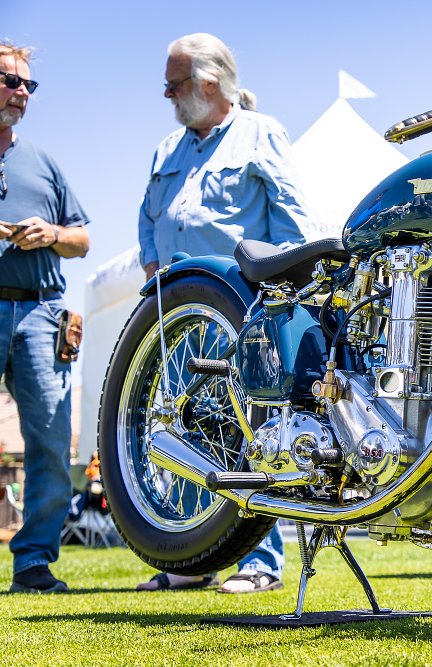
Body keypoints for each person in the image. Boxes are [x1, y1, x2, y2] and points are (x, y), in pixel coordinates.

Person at [135, 33, 312, 593]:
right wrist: (149, 269)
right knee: (184, 430)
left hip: (243, 310)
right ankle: (191, 560)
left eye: (175, 83)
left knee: (253, 430)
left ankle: (259, 564)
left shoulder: (262, 134)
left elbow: (291, 219)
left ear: (209, 82)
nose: (167, 94)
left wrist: (291, 297)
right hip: (178, 318)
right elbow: (147, 219)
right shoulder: (168, 148)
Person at [0, 41, 91, 593]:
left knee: (52, 444)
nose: (21, 92)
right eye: (10, 80)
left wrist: (52, 235)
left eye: (28, 85)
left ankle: (33, 562)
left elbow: (82, 238)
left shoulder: (44, 162)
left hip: (41, 314)